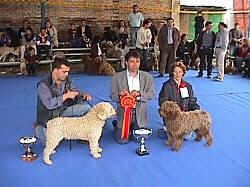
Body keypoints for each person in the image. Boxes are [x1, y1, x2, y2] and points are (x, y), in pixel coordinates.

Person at [35, 57, 92, 144]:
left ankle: (82, 135)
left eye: (68, 72)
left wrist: (83, 94)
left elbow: (75, 90)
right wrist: (65, 96)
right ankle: (39, 127)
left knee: (87, 107)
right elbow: (49, 104)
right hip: (50, 117)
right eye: (64, 72)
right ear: (55, 70)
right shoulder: (43, 85)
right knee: (49, 143)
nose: (67, 74)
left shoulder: (66, 80)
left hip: (63, 110)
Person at [111, 51, 155, 144]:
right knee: (122, 141)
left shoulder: (148, 77)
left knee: (139, 140)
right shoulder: (117, 77)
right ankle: (117, 125)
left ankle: (132, 127)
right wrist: (120, 95)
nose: (135, 64)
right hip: (124, 112)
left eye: (137, 61)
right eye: (132, 61)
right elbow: (113, 96)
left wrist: (139, 94)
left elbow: (151, 94)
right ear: (126, 62)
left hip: (140, 113)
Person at [158, 61, 200, 139]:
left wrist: (196, 111)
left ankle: (175, 132)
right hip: (172, 118)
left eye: (180, 72)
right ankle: (168, 130)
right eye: (175, 72)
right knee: (175, 134)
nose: (178, 74)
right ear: (172, 73)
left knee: (187, 137)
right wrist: (171, 109)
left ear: (183, 73)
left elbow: (192, 101)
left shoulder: (188, 86)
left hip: (185, 118)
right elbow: (162, 102)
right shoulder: (166, 86)